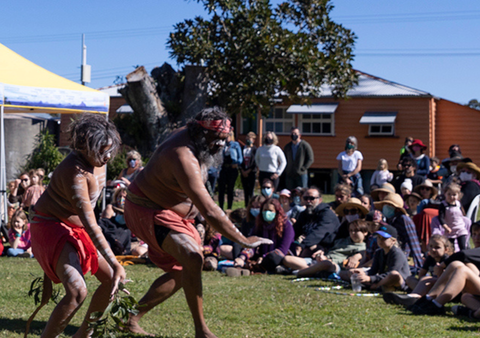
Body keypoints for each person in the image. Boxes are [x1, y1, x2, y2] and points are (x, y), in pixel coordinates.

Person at [123, 107, 272, 337]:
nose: (222, 145)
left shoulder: (197, 139)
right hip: (149, 210)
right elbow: (210, 210)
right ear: (202, 134)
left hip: (174, 215)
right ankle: (201, 330)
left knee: (183, 270)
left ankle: (131, 318)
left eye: (225, 140)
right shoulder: (182, 154)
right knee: (192, 257)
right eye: (218, 139)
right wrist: (243, 239)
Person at [30, 113, 126, 337]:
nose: (108, 157)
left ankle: (84, 335)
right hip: (52, 226)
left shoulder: (98, 161)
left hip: (77, 228)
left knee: (112, 278)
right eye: (102, 152)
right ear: (85, 147)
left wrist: (115, 267)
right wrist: (115, 261)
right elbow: (91, 224)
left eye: (110, 150)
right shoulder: (75, 172)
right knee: (76, 291)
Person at [283, 219, 367, 280]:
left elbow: (357, 258)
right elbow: (327, 247)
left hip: (334, 266)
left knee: (326, 264)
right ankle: (312, 272)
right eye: (351, 230)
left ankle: (298, 272)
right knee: (287, 259)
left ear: (365, 232)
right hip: (320, 261)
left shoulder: (363, 247)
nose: (353, 233)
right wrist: (321, 253)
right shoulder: (341, 240)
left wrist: (326, 259)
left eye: (356, 231)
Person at [383, 234, 452, 307]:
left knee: (426, 279)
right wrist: (421, 282)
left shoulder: (447, 260)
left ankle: (414, 296)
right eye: (431, 246)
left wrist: (437, 273)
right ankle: (418, 294)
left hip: (442, 286)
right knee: (409, 279)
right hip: (430, 284)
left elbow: (447, 280)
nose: (433, 249)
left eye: (437, 247)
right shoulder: (430, 258)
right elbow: (421, 274)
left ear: (446, 249)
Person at [352, 224, 411, 292]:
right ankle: (377, 286)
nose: (380, 240)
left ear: (393, 241)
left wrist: (370, 279)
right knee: (352, 272)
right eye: (378, 237)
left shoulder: (397, 254)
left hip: (399, 282)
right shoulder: (379, 252)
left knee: (394, 274)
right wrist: (363, 273)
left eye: (384, 238)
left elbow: (390, 273)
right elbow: (373, 270)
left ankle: (377, 286)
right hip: (383, 279)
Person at [374, 193, 423, 269]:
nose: (386, 207)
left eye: (389, 205)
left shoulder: (404, 219)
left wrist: (419, 266)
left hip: (402, 255)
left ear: (396, 208)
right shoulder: (390, 220)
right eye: (385, 205)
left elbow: (413, 241)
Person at [292, 187, 340, 257]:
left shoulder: (327, 214)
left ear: (320, 200)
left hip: (328, 249)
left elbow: (318, 234)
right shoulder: (304, 214)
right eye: (305, 198)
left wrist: (301, 246)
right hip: (310, 245)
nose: (308, 201)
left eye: (312, 198)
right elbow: (294, 231)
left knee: (307, 249)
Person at [253, 198, 295, 273]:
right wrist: (242, 257)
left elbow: (283, 250)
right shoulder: (259, 225)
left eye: (270, 210)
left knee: (273, 258)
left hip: (280, 256)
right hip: (262, 255)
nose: (267, 213)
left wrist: (264, 257)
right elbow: (253, 242)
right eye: (265, 210)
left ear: (277, 211)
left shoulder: (286, 226)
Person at [432, 182, 470, 251]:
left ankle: (464, 257)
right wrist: (445, 226)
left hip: (460, 228)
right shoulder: (443, 205)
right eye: (449, 194)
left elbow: (462, 214)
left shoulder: (458, 204)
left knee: (463, 246)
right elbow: (441, 217)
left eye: (454, 195)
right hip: (450, 229)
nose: (451, 197)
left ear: (458, 195)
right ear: (445, 194)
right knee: (450, 247)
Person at [217, 129, 243, 210]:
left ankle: (229, 207)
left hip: (232, 168)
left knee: (230, 189)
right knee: (221, 188)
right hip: (223, 168)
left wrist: (236, 164)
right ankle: (220, 207)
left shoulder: (235, 144)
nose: (227, 137)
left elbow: (240, 158)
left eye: (228, 136)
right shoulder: (223, 144)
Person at [240, 131, 257, 207]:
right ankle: (246, 206)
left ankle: (251, 206)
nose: (248, 140)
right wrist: (242, 170)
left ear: (253, 140)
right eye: (247, 138)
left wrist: (249, 171)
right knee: (245, 191)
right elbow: (240, 160)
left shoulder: (255, 150)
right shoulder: (242, 148)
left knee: (251, 191)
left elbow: (255, 162)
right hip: (243, 172)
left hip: (251, 172)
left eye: (250, 139)